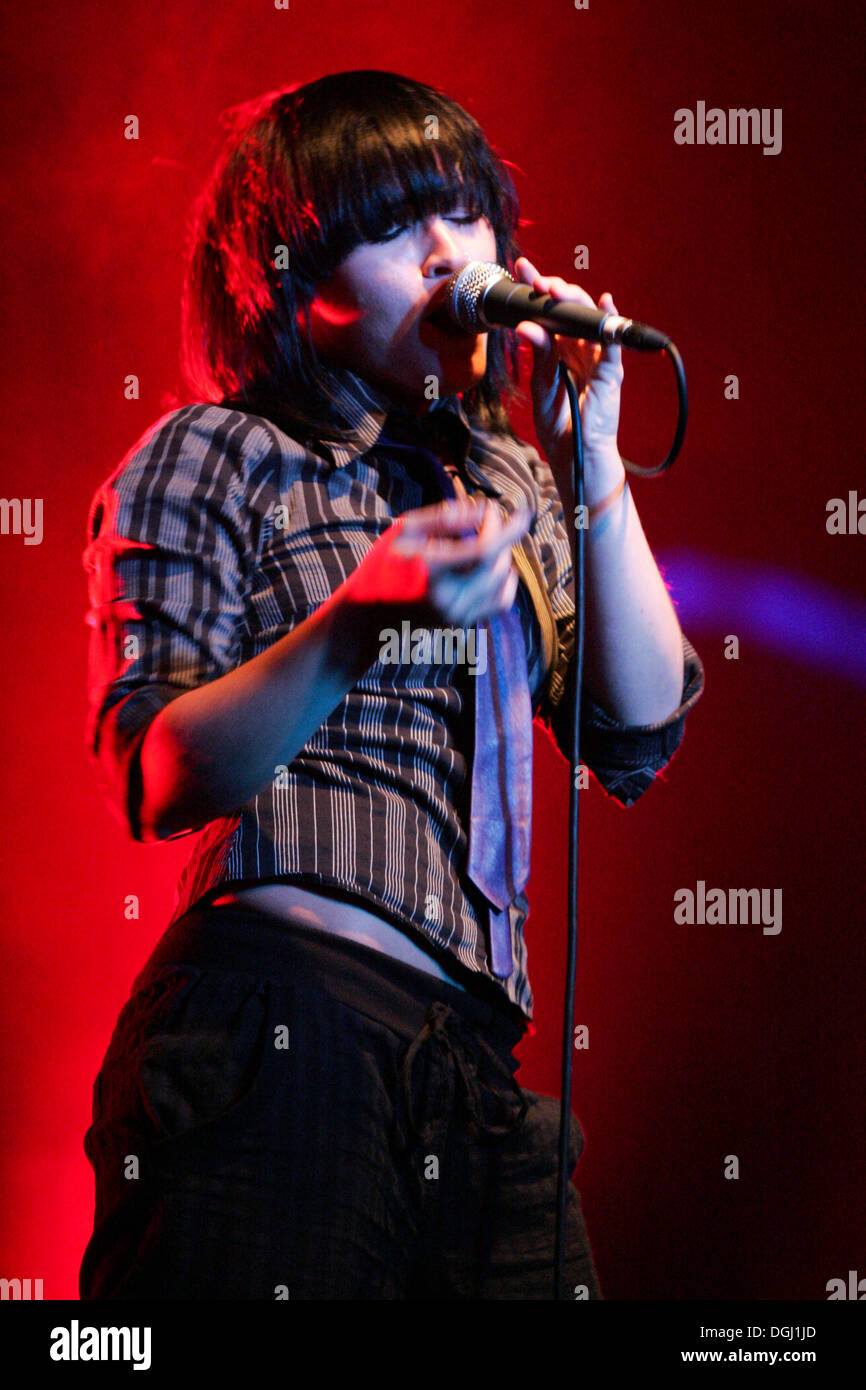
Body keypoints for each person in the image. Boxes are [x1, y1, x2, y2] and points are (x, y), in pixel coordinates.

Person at [79, 69, 704, 1300]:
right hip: (277, 1030)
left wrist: (593, 467)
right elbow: (157, 773)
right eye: (388, 225)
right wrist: (359, 615)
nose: (445, 253)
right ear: (289, 280)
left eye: (465, 214)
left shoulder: (508, 477)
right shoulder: (220, 452)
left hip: (475, 1079)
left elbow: (633, 729)